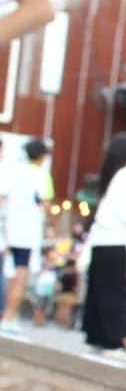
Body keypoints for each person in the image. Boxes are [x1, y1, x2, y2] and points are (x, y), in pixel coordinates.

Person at [83, 133, 126, 359]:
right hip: (116, 240)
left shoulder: (111, 176)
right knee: (114, 292)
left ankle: (95, 335)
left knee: (99, 290)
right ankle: (112, 340)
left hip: (101, 240)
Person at [1, 138, 51, 334]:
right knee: (21, 276)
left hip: (10, 229)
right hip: (28, 232)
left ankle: (7, 315)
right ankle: (9, 316)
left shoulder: (14, 173)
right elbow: (45, 203)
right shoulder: (41, 176)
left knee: (9, 274)